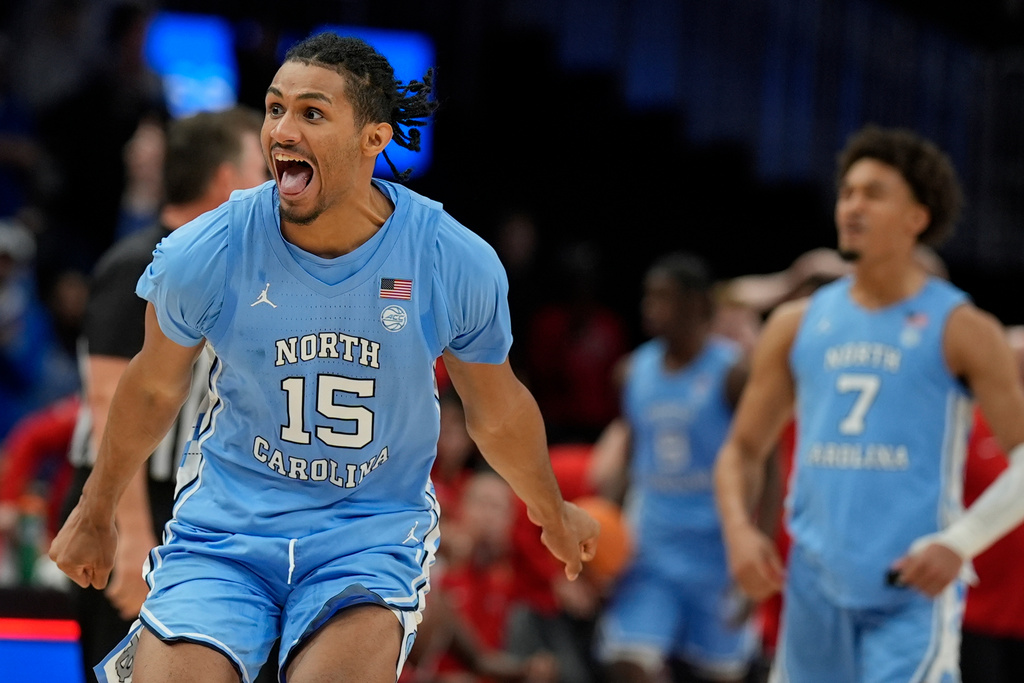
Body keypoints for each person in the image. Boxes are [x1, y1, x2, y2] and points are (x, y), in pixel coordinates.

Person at [50, 32, 598, 683]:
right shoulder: (209, 247)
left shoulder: (449, 258)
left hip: (364, 539)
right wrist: (95, 509)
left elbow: (498, 409)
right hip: (226, 534)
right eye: (275, 108)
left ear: (374, 139)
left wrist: (550, 509)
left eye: (311, 113)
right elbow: (147, 390)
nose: (282, 129)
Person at [713, 124, 1024, 683]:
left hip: (909, 590)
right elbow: (741, 450)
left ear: (917, 218)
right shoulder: (796, 324)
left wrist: (960, 543)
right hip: (813, 590)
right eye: (848, 192)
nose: (853, 206)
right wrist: (738, 530)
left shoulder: (964, 328)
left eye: (874, 193)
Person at [57, 105, 270, 682]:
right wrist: (128, 540)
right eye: (262, 165)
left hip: (195, 505)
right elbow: (108, 406)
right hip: (128, 494)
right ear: (226, 179)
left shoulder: (243, 271)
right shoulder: (140, 263)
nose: (275, 183)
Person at [593, 253, 756, 683]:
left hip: (717, 554)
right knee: (627, 664)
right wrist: (601, 531)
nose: (651, 307)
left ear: (697, 305)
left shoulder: (733, 373)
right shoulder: (632, 372)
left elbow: (766, 463)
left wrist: (760, 543)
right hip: (653, 551)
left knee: (719, 673)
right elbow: (629, 459)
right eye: (649, 297)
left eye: (664, 298)